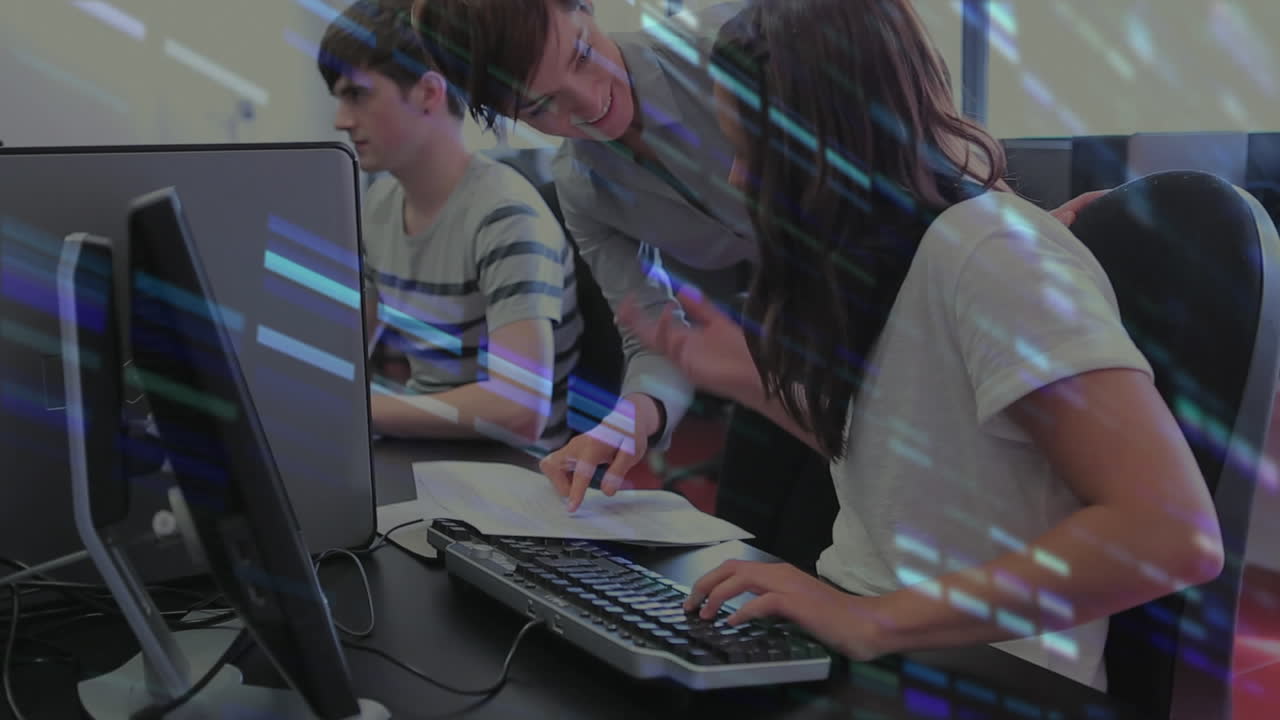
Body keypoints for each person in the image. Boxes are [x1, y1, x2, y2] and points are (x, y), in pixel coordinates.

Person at [605, 0, 1224, 691]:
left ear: (822, 147)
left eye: (751, 154)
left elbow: (1173, 534)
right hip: (893, 649)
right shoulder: (893, 261)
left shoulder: (993, 254)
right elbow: (913, 472)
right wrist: (746, 380)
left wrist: (873, 621)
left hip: (983, 673)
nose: (737, 180)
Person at [407, 0, 1105, 569]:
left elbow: (903, 137)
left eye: (583, 57)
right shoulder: (584, 188)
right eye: (541, 108)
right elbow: (652, 333)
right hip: (798, 342)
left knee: (878, 553)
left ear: (586, 9)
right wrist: (636, 415)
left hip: (902, 311)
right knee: (746, 557)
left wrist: (1005, 231)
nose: (586, 106)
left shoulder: (739, 46)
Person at [318, 0, 582, 453]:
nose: (341, 120)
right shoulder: (380, 201)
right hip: (427, 452)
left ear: (428, 92)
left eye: (357, 95)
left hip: (508, 473)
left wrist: (356, 410)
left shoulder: (504, 215)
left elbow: (521, 411)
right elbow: (343, 353)